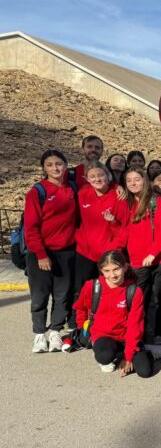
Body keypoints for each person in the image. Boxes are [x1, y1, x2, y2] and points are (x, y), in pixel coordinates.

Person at [113, 169, 161, 348]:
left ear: (145, 181)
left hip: (160, 258)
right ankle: (140, 332)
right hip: (138, 260)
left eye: (137, 179)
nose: (133, 183)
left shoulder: (156, 201)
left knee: (160, 298)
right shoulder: (129, 203)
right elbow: (126, 230)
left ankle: (158, 334)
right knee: (140, 298)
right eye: (129, 180)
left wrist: (153, 253)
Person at [25, 150, 78, 353]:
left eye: (59, 164)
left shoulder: (71, 188)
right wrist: (40, 254)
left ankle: (55, 330)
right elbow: (31, 227)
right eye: (50, 165)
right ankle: (39, 334)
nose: (55, 168)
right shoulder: (37, 192)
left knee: (62, 294)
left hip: (66, 251)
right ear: (44, 168)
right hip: (42, 252)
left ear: (65, 166)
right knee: (40, 295)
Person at [73, 250, 155, 377]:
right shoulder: (92, 286)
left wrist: (128, 358)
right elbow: (81, 308)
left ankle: (144, 352)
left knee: (145, 372)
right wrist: (82, 329)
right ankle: (115, 354)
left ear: (125, 267)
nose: (112, 275)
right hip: (103, 337)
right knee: (104, 356)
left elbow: (135, 326)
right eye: (107, 270)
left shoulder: (134, 291)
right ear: (101, 270)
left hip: (127, 337)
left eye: (116, 269)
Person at [73, 161, 129, 308]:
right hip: (85, 252)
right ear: (86, 179)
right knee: (82, 290)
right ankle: (79, 323)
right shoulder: (82, 193)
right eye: (92, 176)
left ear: (108, 176)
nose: (97, 179)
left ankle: (103, 322)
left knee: (107, 291)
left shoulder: (118, 196)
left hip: (108, 254)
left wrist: (114, 250)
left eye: (101, 175)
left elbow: (124, 228)